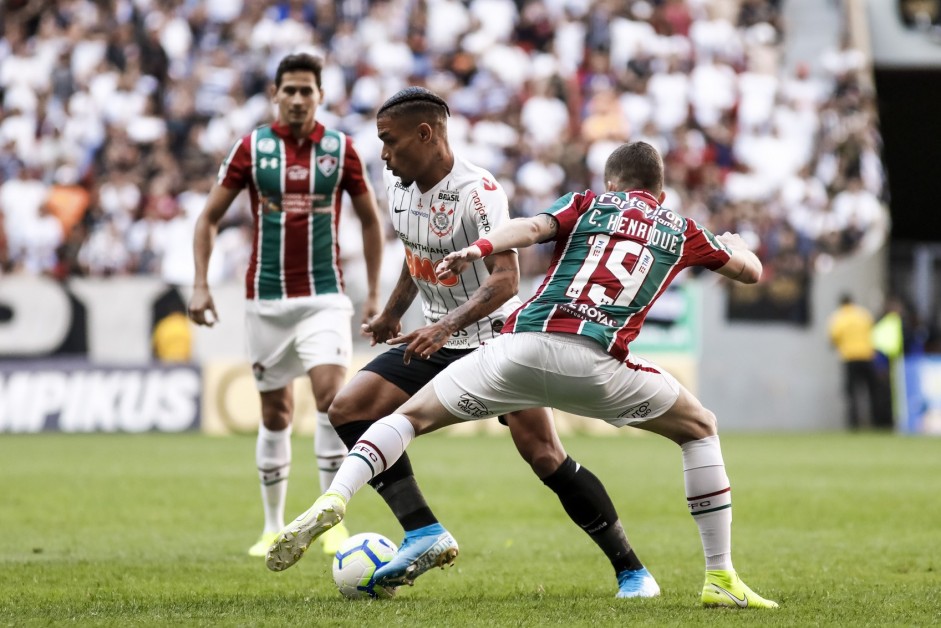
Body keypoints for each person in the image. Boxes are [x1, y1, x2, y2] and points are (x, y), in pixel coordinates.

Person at [268, 141, 779, 609]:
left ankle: (336, 495)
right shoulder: (682, 227)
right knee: (699, 428)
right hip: (597, 365)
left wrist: (481, 248)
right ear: (660, 192)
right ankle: (719, 576)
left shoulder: (587, 203)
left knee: (406, 420)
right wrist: (735, 243)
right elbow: (751, 272)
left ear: (611, 184)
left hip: (515, 346)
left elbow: (532, 228)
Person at [270, 87, 659, 599]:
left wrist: (445, 325)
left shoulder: (479, 192)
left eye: (390, 141)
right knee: (348, 409)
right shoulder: (401, 187)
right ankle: (424, 531)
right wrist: (391, 311)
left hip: (496, 342)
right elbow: (418, 256)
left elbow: (505, 281)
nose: (383, 154)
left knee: (544, 456)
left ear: (426, 134)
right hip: (435, 338)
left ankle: (633, 570)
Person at [188, 53, 383, 557]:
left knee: (331, 400)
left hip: (324, 296)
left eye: (307, 91)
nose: (298, 99)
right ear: (275, 94)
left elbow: (369, 220)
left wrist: (377, 293)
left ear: (321, 95)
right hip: (266, 298)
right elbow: (209, 217)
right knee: (275, 412)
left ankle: (328, 518)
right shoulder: (253, 148)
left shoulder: (340, 150)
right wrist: (201, 283)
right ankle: (272, 525)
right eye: (290, 90)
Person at [828, 294, 878, 429]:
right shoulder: (863, 314)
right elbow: (873, 331)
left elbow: (833, 337)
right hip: (867, 356)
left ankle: (854, 424)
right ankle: (875, 422)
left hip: (849, 357)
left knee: (852, 394)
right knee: (871, 392)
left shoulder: (839, 317)